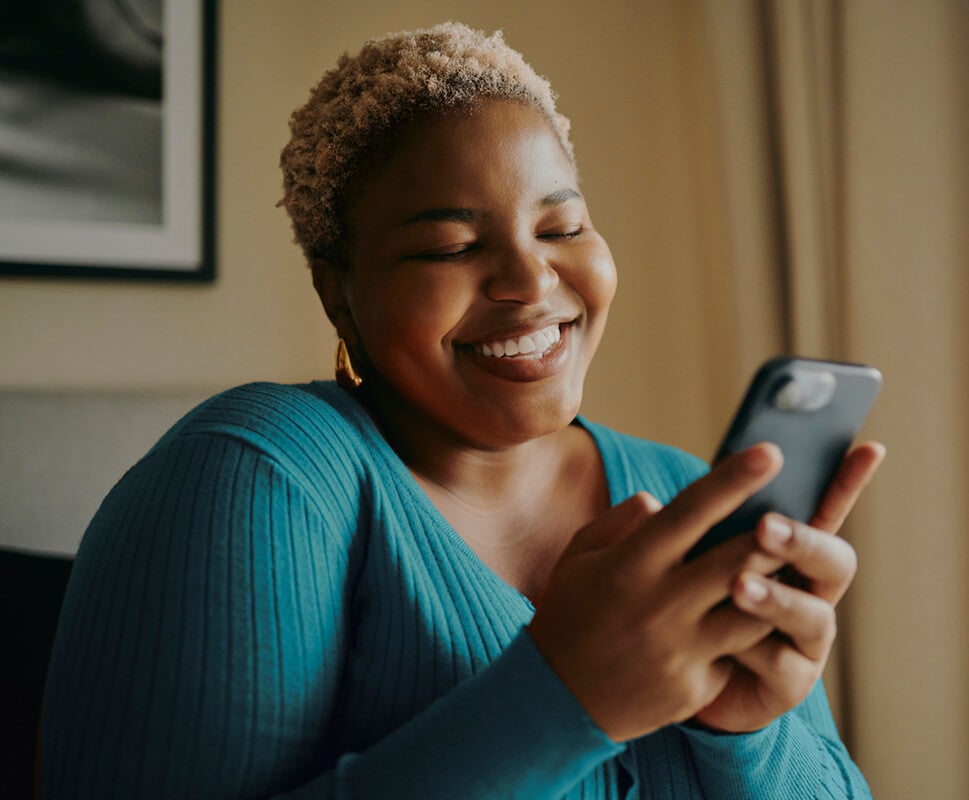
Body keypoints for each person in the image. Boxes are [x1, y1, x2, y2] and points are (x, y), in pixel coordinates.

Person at [39, 22, 885, 799]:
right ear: (338, 294)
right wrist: (565, 699)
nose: (531, 282)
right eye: (451, 247)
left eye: (563, 227)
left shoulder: (684, 490)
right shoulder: (256, 477)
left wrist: (747, 731)